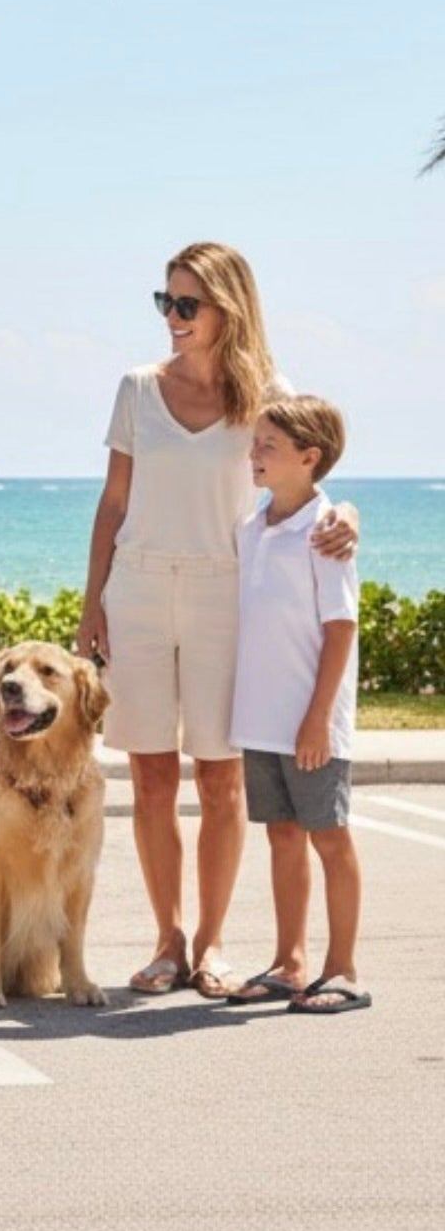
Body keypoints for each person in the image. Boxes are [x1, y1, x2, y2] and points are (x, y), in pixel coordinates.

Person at [76, 242, 358, 998]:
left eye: (187, 304)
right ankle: (167, 942)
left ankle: (213, 944)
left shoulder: (267, 389)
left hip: (224, 597)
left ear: (227, 308)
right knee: (151, 777)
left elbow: (309, 474)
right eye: (165, 302)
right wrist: (90, 606)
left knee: (223, 778)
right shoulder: (137, 388)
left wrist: (350, 515)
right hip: (135, 591)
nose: (173, 317)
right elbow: (112, 504)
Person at [224, 397, 370, 1014]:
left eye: (268, 447)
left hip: (312, 723)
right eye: (255, 443)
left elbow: (341, 629)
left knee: (328, 838)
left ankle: (344, 970)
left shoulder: (327, 530)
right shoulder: (253, 527)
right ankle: (290, 962)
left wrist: (318, 718)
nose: (253, 455)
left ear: (309, 458)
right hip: (262, 718)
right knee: (282, 835)